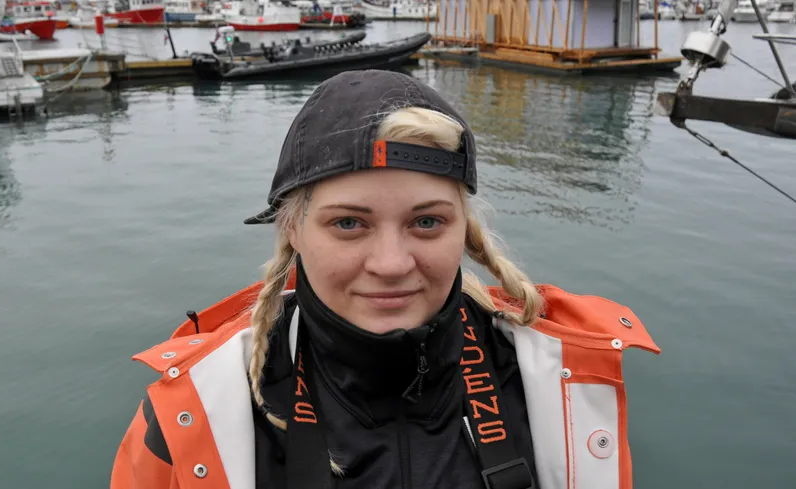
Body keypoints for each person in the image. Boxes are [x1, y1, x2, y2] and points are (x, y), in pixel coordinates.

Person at [110, 69, 661, 489]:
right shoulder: (193, 412)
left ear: (463, 232)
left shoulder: (564, 380)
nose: (392, 263)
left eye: (427, 222)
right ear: (292, 230)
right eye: (349, 223)